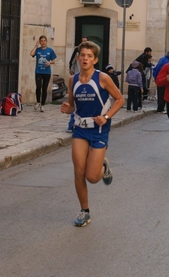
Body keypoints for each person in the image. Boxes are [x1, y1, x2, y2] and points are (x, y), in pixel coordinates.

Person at [61, 41, 124, 227]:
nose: (85, 59)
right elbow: (73, 105)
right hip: (80, 129)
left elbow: (120, 99)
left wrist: (106, 116)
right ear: (78, 58)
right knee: (79, 171)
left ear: (95, 59)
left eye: (89, 56)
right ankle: (84, 211)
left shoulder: (103, 78)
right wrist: (67, 108)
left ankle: (103, 167)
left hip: (98, 131)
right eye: (82, 55)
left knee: (92, 177)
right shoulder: (73, 80)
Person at [30, 35, 57, 112]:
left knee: (44, 88)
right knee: (38, 87)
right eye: (41, 41)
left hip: (46, 72)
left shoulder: (50, 50)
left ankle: (42, 105)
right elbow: (31, 54)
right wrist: (36, 45)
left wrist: (50, 62)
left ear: (46, 41)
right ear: (39, 42)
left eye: (44, 41)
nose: (43, 42)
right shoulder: (38, 50)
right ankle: (38, 102)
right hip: (38, 71)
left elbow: (54, 61)